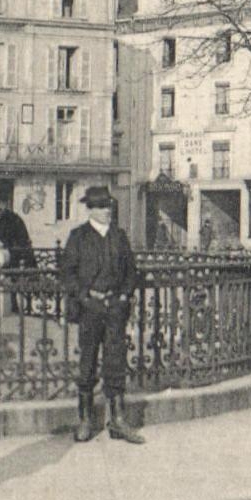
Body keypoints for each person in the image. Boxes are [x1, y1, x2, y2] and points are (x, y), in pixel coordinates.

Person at [61, 185, 144, 445]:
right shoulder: (78, 237)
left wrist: (123, 296)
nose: (107, 211)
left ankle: (118, 421)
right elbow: (68, 273)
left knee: (116, 361)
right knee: (87, 362)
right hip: (89, 309)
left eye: (109, 207)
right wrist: (85, 296)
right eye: (101, 207)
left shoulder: (119, 236)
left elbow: (131, 271)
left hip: (115, 309)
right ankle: (85, 419)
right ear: (91, 210)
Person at [0, 195, 38, 313]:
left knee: (12, 291)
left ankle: (14, 308)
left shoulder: (14, 220)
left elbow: (24, 241)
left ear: (5, 204)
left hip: (12, 260)